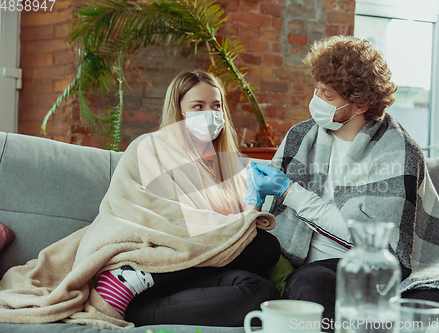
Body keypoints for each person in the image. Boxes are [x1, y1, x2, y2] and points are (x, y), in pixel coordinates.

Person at [0, 70, 280, 329]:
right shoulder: (151, 146)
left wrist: (253, 197)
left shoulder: (228, 167)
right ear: (179, 111)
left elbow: (229, 231)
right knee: (263, 246)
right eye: (198, 106)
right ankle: (127, 279)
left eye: (216, 106)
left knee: (260, 291)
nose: (210, 114)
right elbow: (136, 209)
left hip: (188, 272)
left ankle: (128, 307)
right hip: (150, 256)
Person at [245, 36, 439, 332]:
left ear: (360, 104)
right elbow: (264, 211)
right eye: (317, 88)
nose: (316, 99)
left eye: (328, 95)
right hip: (326, 266)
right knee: (309, 285)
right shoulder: (300, 137)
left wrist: (290, 192)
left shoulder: (398, 149)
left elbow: (374, 240)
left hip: (391, 266)